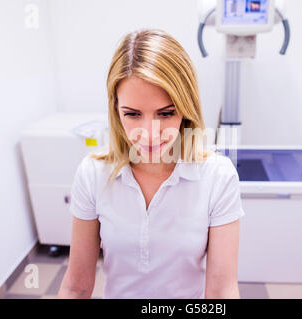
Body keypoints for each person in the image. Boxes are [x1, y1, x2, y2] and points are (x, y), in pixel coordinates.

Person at [58, 29, 245, 299]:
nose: (149, 133)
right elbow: (76, 287)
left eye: (166, 113)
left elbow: (221, 291)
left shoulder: (218, 176)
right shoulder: (93, 174)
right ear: (115, 109)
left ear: (186, 107)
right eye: (132, 114)